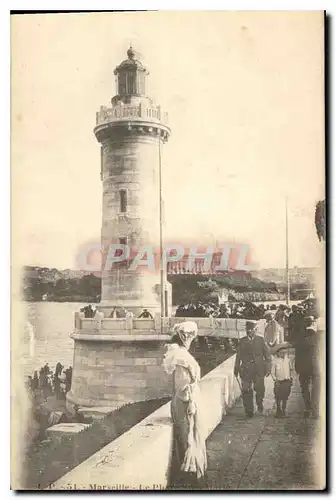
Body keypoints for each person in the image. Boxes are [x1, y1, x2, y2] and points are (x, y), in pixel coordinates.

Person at [163, 321, 207, 487]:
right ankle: (191, 474)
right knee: (189, 435)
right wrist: (190, 401)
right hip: (185, 401)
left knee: (186, 436)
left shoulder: (178, 356)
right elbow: (183, 386)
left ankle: (190, 474)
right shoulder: (182, 357)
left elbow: (181, 385)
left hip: (183, 400)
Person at [234, 320, 272, 418]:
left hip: (259, 369)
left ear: (256, 330)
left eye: (251, 329)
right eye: (248, 329)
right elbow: (238, 356)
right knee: (246, 390)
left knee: (259, 389)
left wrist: (268, 368)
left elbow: (267, 355)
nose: (249, 331)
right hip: (246, 370)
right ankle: (249, 410)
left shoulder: (260, 340)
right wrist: (236, 369)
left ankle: (260, 405)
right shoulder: (242, 341)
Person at [294, 316, 321, 419]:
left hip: (303, 368)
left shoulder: (300, 337)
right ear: (312, 323)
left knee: (305, 389)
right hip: (315, 367)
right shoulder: (318, 336)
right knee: (316, 390)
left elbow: (297, 353)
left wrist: (297, 366)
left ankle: (307, 408)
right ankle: (315, 411)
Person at [269, 343, 294, 418]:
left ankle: (284, 410)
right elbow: (272, 372)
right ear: (278, 353)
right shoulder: (275, 361)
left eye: (284, 353)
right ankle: (278, 409)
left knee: (285, 396)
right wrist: (275, 379)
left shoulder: (288, 360)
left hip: (287, 381)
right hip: (279, 382)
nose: (283, 354)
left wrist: (291, 377)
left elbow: (291, 370)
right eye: (281, 353)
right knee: (278, 396)